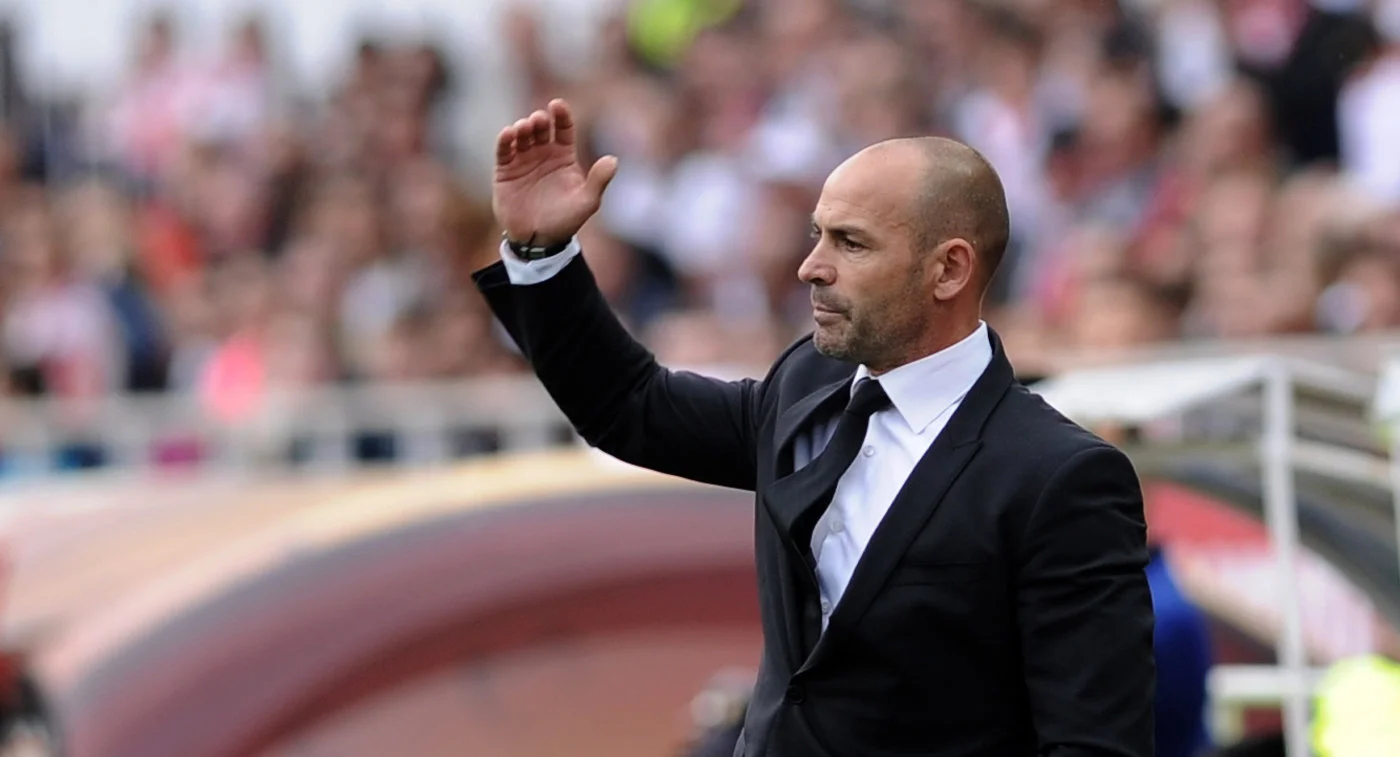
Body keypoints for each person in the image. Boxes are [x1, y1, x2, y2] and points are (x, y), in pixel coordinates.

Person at [473, 99, 1155, 757]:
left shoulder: (1057, 474)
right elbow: (631, 406)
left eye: (850, 243)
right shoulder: (807, 383)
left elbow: (1093, 742)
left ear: (949, 269)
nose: (811, 267)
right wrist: (542, 253)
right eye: (817, 235)